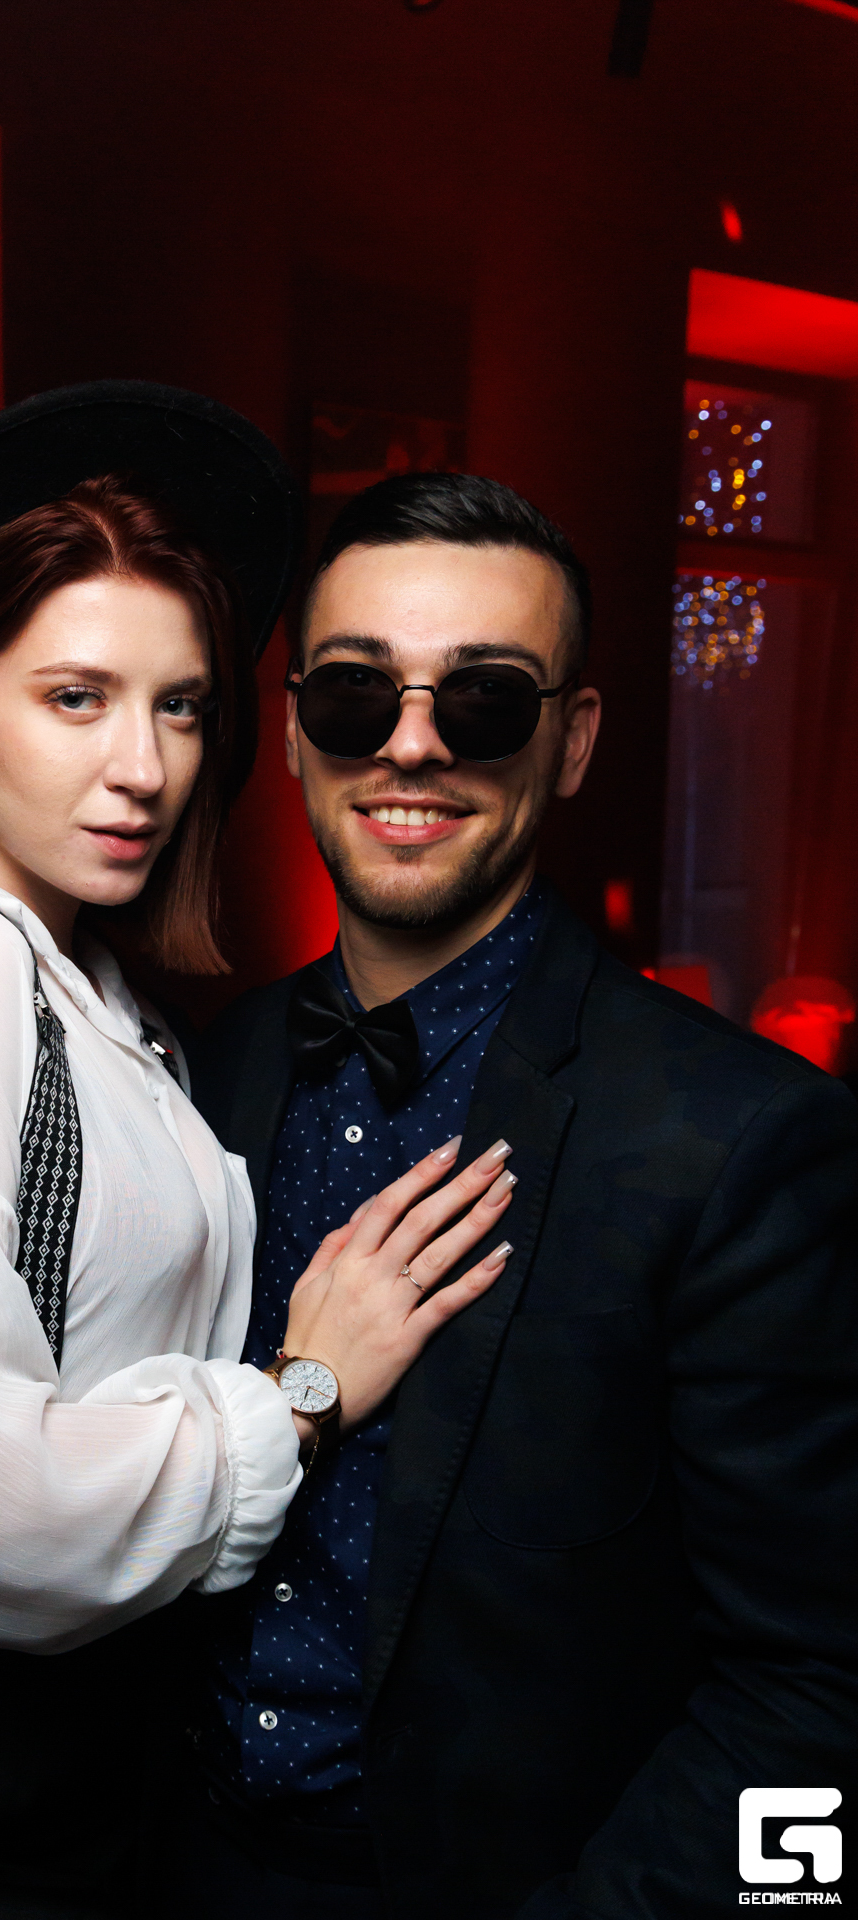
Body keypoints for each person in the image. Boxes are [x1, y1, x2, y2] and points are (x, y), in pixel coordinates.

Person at [0, 386, 516, 1920]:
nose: (143, 766)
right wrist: (296, 1398)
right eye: (76, 699)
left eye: (179, 706)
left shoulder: (111, 1010)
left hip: (66, 1794)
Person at [168, 471, 858, 1918]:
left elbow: (822, 1689)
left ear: (572, 739)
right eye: (355, 693)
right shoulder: (196, 1074)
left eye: (482, 698)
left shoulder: (742, 1137)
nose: (411, 743)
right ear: (292, 732)